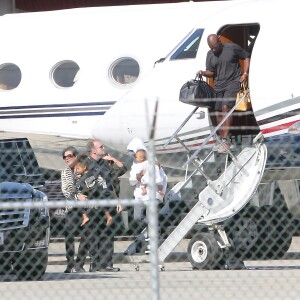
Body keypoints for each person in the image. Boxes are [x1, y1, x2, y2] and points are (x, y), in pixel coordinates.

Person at [197, 34, 250, 153]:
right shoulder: (210, 54)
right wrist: (203, 73)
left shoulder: (232, 48)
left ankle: (226, 140)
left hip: (233, 81)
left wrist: (245, 74)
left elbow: (246, 56)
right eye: (212, 48)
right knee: (216, 111)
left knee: (226, 107)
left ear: (220, 42)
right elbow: (211, 72)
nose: (214, 50)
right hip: (219, 85)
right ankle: (222, 139)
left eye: (215, 47)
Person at [85, 139, 127, 272]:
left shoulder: (105, 164)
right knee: (95, 234)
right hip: (96, 203)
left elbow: (122, 170)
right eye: (101, 147)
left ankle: (107, 264)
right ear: (94, 150)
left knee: (108, 234)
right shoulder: (86, 163)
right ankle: (95, 264)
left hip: (109, 202)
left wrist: (112, 158)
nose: (103, 148)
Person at [61, 146, 87, 273]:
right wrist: (78, 196)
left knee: (88, 235)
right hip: (72, 208)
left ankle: (79, 264)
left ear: (75, 156)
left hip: (86, 208)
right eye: (65, 157)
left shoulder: (83, 169)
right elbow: (67, 191)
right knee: (69, 235)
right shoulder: (65, 172)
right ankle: (70, 263)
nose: (67, 159)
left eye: (69, 156)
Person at [129, 149, 166, 221]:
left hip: (152, 194)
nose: (135, 158)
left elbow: (160, 176)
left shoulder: (152, 164)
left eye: (136, 157)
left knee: (150, 216)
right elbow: (132, 180)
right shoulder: (136, 165)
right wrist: (141, 174)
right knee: (138, 216)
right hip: (140, 194)